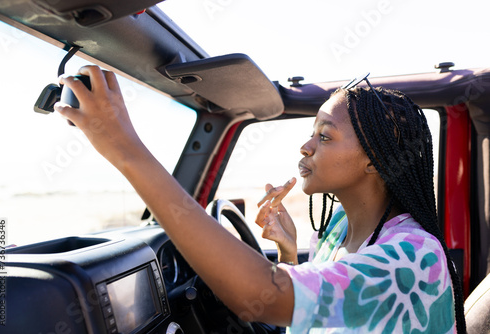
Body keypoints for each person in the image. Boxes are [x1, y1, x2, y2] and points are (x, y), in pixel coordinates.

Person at [55, 66, 465, 333]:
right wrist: (288, 252)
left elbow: (258, 295)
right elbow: (314, 317)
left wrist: (125, 149)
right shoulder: (342, 227)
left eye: (324, 136)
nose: (306, 147)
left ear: (376, 160)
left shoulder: (413, 258)